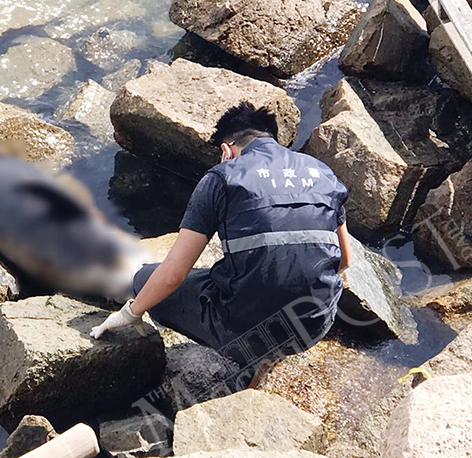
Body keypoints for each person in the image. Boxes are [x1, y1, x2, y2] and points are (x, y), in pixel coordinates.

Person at [90, 101, 353, 386]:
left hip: (246, 332)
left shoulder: (223, 177)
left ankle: (253, 351)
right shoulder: (322, 173)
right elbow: (345, 261)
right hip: (313, 326)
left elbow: (173, 275)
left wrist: (131, 313)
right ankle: (271, 351)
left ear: (226, 150)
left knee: (146, 278)